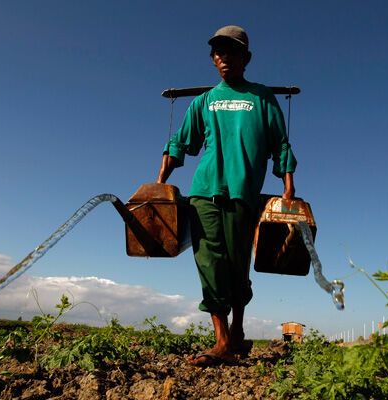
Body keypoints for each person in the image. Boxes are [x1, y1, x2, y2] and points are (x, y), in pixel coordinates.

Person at [156, 25, 297, 366]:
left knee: (237, 266)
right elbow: (180, 144)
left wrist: (288, 186)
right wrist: (161, 178)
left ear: (246, 58)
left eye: (232, 51)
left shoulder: (263, 99)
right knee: (209, 263)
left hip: (243, 194)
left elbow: (280, 144)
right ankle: (221, 341)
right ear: (212, 59)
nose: (224, 57)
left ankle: (237, 331)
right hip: (204, 192)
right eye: (218, 52)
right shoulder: (203, 102)